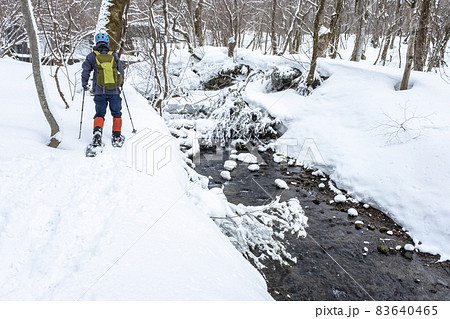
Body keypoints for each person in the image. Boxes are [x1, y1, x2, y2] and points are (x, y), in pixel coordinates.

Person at [82, 32, 125, 149]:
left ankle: (97, 134)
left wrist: (84, 83)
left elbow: (85, 71)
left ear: (96, 43)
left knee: (100, 113)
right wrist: (121, 83)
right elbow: (121, 71)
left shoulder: (92, 56)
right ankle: (116, 135)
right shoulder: (114, 56)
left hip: (99, 91)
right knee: (117, 113)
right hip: (114, 91)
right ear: (107, 43)